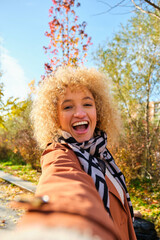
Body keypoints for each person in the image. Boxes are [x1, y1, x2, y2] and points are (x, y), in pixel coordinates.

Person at [12, 67, 137, 240]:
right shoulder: (58, 153)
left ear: (98, 111)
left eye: (87, 104)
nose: (79, 113)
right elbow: (63, 184)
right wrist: (66, 223)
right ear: (55, 117)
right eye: (68, 106)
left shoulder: (102, 154)